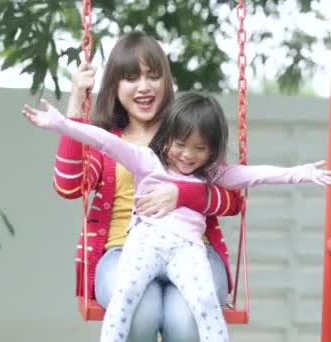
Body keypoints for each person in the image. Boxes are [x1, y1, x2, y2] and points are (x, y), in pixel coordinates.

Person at [23, 92, 331, 342]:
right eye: (180, 145)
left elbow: (253, 175)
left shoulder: (212, 174)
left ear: (213, 150)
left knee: (203, 302)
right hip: (145, 243)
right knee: (126, 295)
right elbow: (104, 141)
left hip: (187, 250)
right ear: (167, 138)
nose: (188, 155)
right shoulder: (146, 160)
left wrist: (300, 173)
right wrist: (61, 123)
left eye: (200, 148)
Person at [52, 31, 241, 342]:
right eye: (130, 78)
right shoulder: (107, 142)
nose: (143, 87)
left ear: (166, 81)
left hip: (193, 251)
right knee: (141, 311)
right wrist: (75, 105)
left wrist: (182, 193)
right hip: (122, 252)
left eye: (153, 76)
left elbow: (233, 200)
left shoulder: (185, 133)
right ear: (114, 86)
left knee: (185, 319)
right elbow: (68, 185)